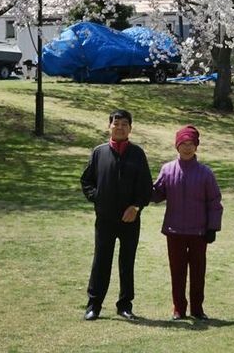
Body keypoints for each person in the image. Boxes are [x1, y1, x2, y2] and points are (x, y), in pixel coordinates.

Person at [80, 109, 153, 321]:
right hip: (105, 219)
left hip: (130, 219)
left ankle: (125, 305)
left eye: (124, 124)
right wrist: (97, 197)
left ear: (130, 128)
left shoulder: (137, 154)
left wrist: (136, 206)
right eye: (116, 123)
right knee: (101, 260)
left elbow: (146, 187)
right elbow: (86, 181)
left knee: (126, 262)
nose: (119, 127)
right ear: (109, 126)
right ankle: (94, 305)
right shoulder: (99, 152)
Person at [151, 125, 223, 321]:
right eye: (183, 143)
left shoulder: (206, 173)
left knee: (198, 272)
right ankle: (178, 309)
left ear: (196, 146)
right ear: (177, 146)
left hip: (199, 232)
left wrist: (212, 227)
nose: (187, 147)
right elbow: (157, 193)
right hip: (174, 231)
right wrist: (141, 186)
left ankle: (197, 309)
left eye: (191, 143)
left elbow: (215, 202)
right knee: (177, 272)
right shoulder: (167, 170)